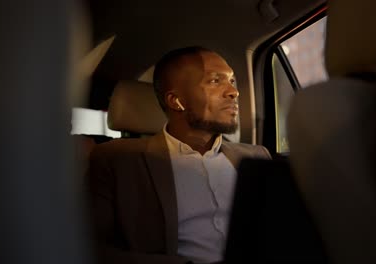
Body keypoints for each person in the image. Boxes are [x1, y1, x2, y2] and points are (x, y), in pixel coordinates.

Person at [85, 46, 271, 264]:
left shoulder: (257, 156)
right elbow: (92, 250)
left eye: (231, 80)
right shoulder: (116, 160)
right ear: (176, 101)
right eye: (214, 81)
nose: (233, 92)